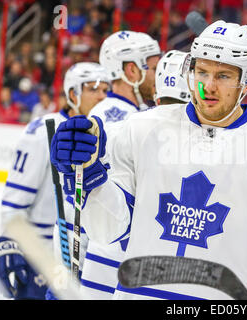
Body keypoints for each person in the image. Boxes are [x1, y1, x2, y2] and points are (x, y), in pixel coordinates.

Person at [50, 20, 247, 300]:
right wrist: (88, 177)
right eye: (202, 72)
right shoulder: (141, 129)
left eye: (223, 76)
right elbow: (108, 231)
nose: (208, 87)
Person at [0, 62, 110, 300]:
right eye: (93, 89)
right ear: (73, 93)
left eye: (106, 90)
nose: (101, 96)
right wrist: (8, 242)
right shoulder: (44, 129)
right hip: (41, 258)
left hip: (84, 260)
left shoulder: (104, 133)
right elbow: (16, 196)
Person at [76, 30, 161, 299]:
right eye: (155, 68)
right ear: (131, 70)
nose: (160, 76)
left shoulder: (132, 115)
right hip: (111, 264)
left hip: (116, 261)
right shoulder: (114, 118)